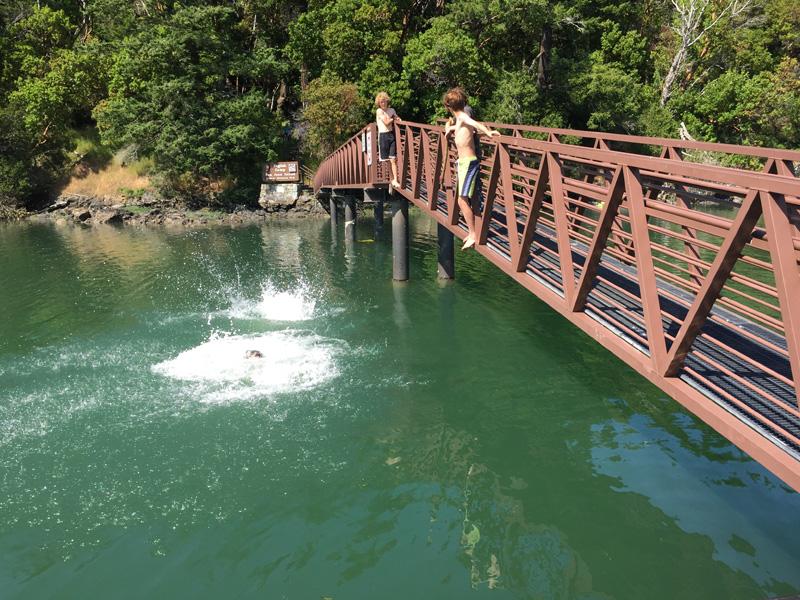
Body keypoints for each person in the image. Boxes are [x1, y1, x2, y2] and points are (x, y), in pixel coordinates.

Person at [443, 87, 499, 250]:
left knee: (461, 201)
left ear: (449, 108)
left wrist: (488, 132)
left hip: (468, 163)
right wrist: (449, 129)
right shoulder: (459, 119)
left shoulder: (462, 116)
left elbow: (475, 124)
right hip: (463, 163)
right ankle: (472, 232)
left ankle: (473, 234)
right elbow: (459, 127)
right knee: (465, 198)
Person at [375, 91, 401, 189]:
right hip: (383, 136)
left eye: (385, 101)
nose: (383, 103)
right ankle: (391, 179)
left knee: (393, 159)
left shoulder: (392, 110)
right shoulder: (379, 111)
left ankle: (396, 180)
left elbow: (398, 119)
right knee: (388, 161)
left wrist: (397, 119)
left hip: (391, 134)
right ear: (379, 103)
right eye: (381, 102)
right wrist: (393, 118)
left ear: (387, 101)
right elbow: (386, 122)